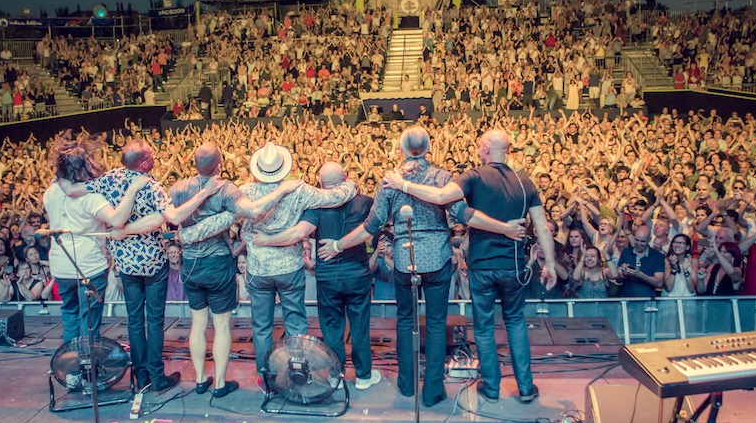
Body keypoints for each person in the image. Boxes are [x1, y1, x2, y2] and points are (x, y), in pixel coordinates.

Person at [380, 128, 553, 404]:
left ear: (485, 148)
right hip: (512, 264)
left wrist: (402, 184)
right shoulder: (524, 182)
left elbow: (434, 201)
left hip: (476, 264)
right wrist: (551, 264)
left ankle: (488, 389)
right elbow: (541, 226)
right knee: (513, 322)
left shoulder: (471, 176)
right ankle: (524, 387)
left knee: (477, 327)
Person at [169, 142, 305, 398]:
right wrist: (283, 189)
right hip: (218, 262)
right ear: (220, 165)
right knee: (221, 325)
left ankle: (200, 380)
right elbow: (254, 210)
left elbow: (172, 218)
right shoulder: (225, 188)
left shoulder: (178, 188)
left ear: (193, 163)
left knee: (197, 324)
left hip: (190, 264)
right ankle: (219, 384)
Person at [91, 139, 217, 393]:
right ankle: (157, 377)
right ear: (145, 162)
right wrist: (204, 193)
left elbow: (77, 189)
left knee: (135, 321)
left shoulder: (109, 179)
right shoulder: (151, 186)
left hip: (125, 264)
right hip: (152, 262)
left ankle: (140, 376)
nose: (155, 157)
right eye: (152, 155)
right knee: (155, 321)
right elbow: (174, 217)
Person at [252, 162, 381, 390]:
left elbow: (299, 232)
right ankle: (363, 376)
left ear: (320, 183)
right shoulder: (365, 202)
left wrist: (267, 240)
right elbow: (373, 232)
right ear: (346, 176)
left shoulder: (317, 206)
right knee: (360, 326)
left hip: (328, 277)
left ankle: (336, 376)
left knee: (332, 328)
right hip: (357, 274)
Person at [43, 132, 146, 353]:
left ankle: (71, 369)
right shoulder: (91, 198)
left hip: (61, 265)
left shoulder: (50, 191)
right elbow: (118, 220)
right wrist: (132, 191)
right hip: (88, 267)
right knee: (88, 322)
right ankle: (87, 368)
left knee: (70, 315)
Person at [616, 226, 665, 298]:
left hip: (647, 302)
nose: (639, 244)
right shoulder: (626, 252)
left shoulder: (657, 256)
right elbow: (618, 280)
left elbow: (659, 283)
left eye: (642, 241)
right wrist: (624, 274)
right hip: (626, 300)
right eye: (636, 240)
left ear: (649, 239)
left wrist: (640, 275)